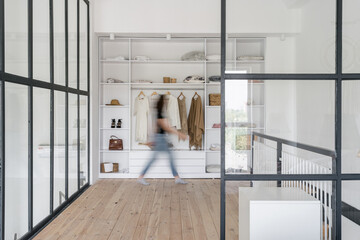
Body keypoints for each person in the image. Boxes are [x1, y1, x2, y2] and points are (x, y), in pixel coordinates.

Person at [137, 94, 188, 185]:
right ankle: (141, 177)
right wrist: (180, 134)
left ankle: (177, 178)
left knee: (165, 158)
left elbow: (156, 128)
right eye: (165, 101)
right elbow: (166, 128)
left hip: (160, 139)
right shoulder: (160, 114)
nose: (167, 102)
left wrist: (153, 139)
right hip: (161, 140)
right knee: (159, 159)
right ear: (162, 102)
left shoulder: (159, 113)